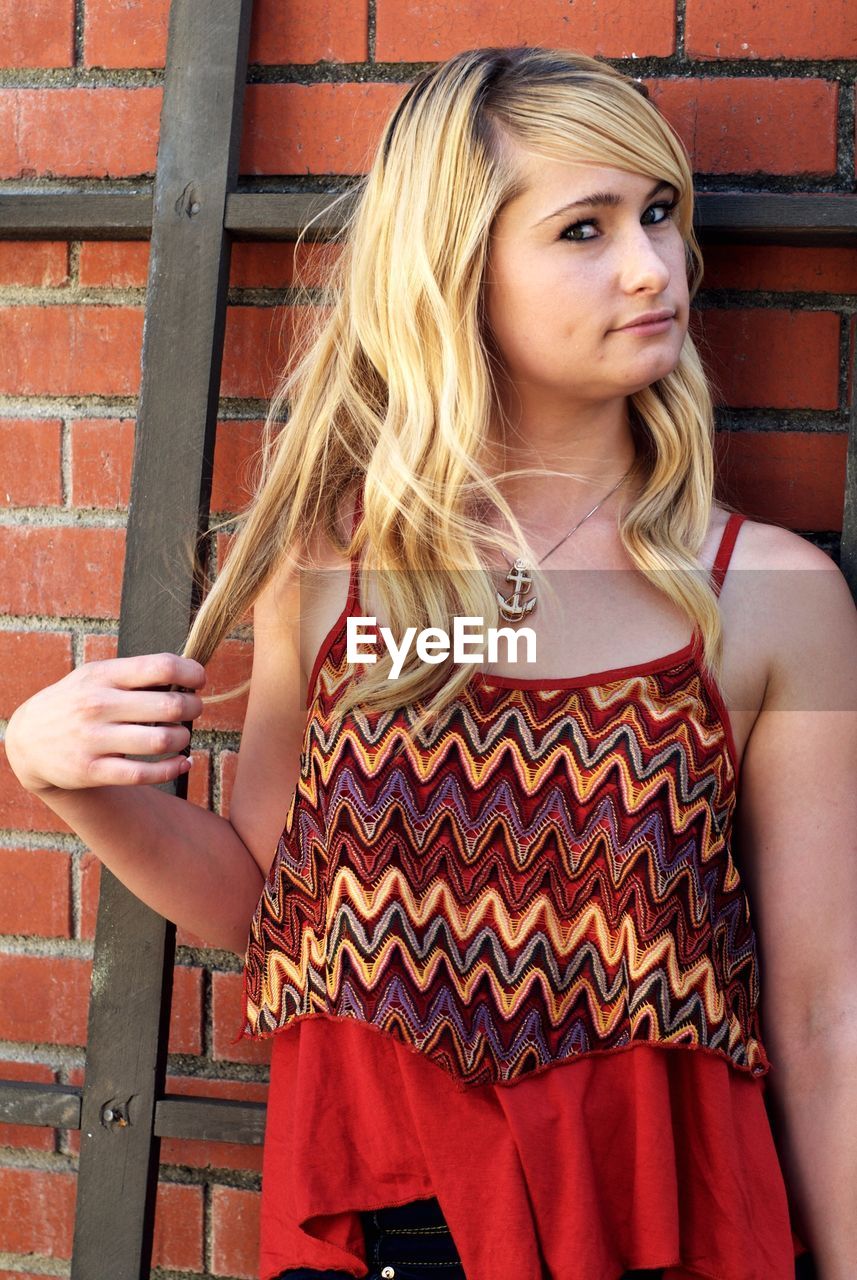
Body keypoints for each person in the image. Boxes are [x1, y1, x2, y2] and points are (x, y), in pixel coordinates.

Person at [6, 43, 855, 1280]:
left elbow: (825, 1013)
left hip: (664, 1234)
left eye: (658, 213)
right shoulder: (349, 572)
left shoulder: (766, 597)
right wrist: (64, 779)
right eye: (583, 228)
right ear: (456, 270)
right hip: (388, 1236)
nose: (650, 266)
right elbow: (261, 899)